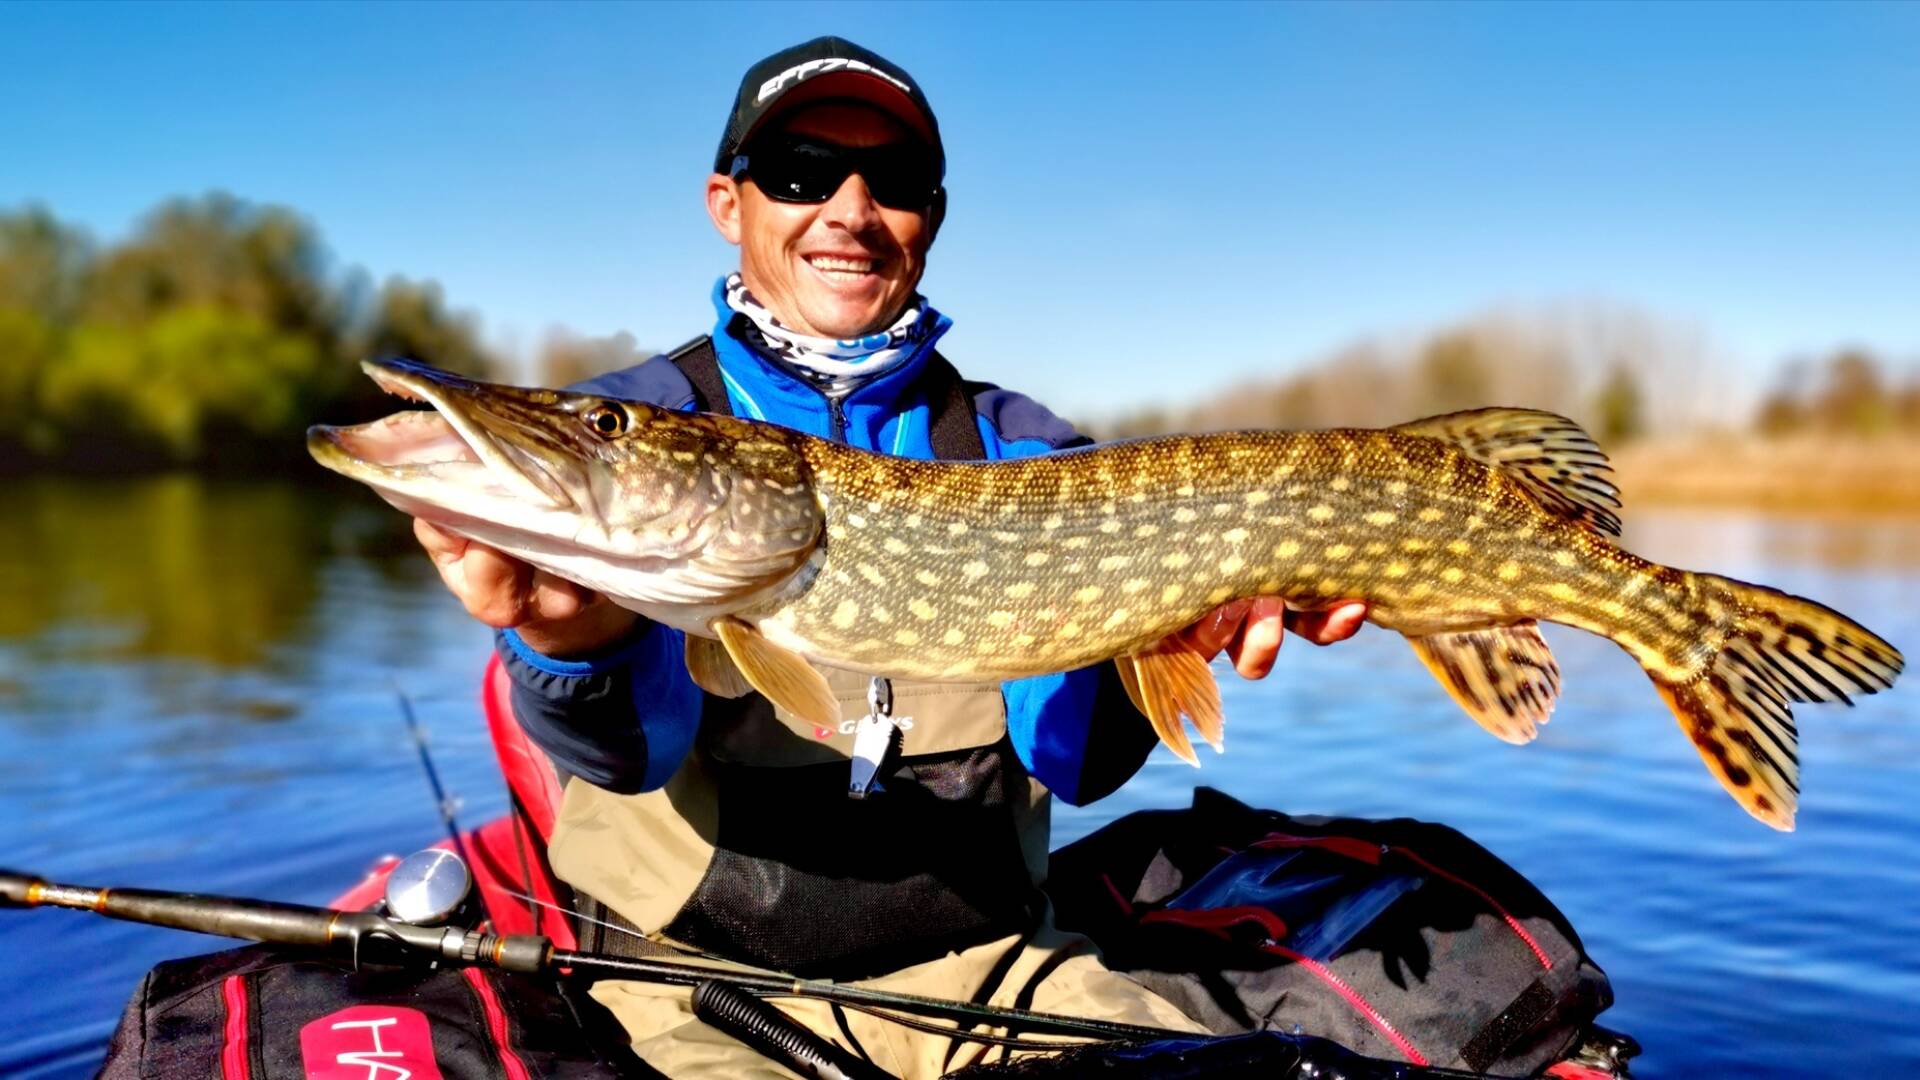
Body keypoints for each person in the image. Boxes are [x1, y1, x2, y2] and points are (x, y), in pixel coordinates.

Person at [412, 36, 1368, 1079]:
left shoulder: (1025, 451)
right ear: (729, 205)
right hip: (693, 987)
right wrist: (569, 637)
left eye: (895, 182)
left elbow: (1072, 763)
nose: (851, 210)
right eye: (800, 172)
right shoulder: (646, 417)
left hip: (992, 972)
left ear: (930, 218)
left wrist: (1172, 624)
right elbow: (625, 760)